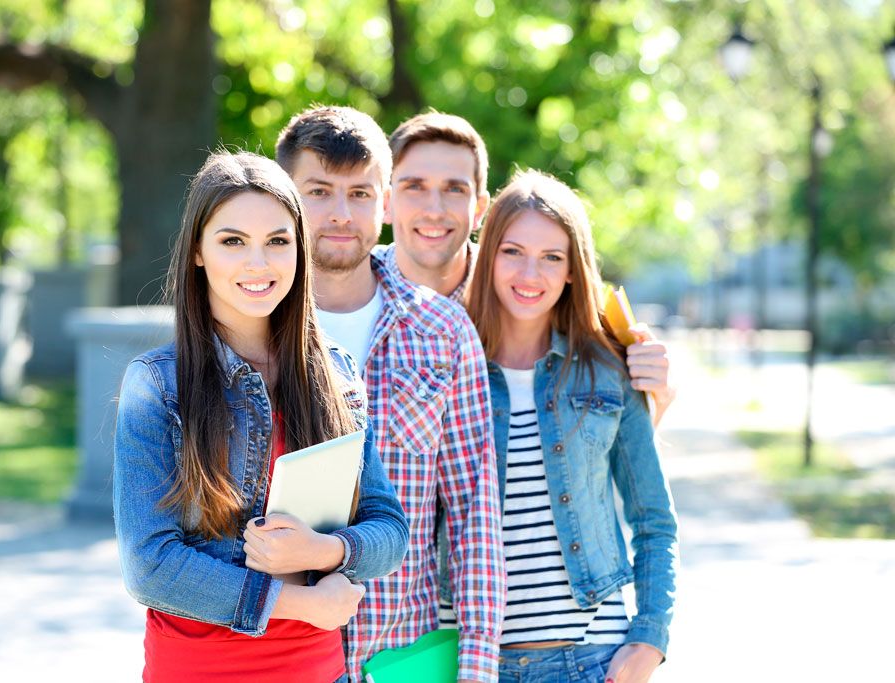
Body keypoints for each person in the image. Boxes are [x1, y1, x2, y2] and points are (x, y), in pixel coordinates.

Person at [112, 151, 410, 683]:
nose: (259, 263)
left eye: (278, 241)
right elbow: (149, 566)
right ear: (198, 253)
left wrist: (326, 549)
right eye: (233, 241)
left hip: (320, 671)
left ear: (300, 249)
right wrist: (300, 604)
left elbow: (389, 526)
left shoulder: (334, 373)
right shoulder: (156, 385)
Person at [275, 106, 505, 683]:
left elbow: (475, 516)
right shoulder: (248, 329)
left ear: (385, 203)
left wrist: (476, 671)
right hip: (273, 656)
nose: (339, 214)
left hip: (398, 658)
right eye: (319, 192)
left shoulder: (442, 332)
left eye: (360, 193)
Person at [459, 169, 678, 683]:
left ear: (574, 270)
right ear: (488, 255)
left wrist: (649, 637)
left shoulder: (607, 368)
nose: (529, 274)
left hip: (590, 661)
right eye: (512, 252)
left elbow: (654, 519)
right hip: (469, 661)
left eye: (551, 257)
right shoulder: (449, 363)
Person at [384, 112, 676, 426]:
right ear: (386, 202)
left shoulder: (527, 290)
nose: (434, 210)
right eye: (414, 186)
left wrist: (658, 399)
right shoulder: (349, 295)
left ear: (480, 208)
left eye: (455, 189)